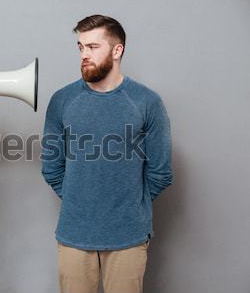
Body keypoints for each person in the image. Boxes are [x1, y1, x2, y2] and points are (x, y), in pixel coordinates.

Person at [41, 15, 172, 293]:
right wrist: (81, 198)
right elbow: (51, 168)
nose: (84, 55)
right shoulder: (62, 100)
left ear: (117, 50)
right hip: (74, 235)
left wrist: (130, 207)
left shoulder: (147, 102)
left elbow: (160, 173)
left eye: (93, 47)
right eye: (80, 47)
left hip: (129, 237)